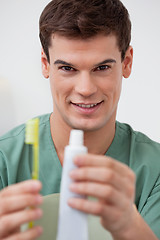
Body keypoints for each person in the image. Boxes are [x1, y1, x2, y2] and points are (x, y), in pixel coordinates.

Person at [0, 0, 160, 239]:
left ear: (126, 63)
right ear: (46, 65)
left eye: (102, 67)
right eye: (67, 68)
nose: (85, 89)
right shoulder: (5, 159)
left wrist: (132, 229)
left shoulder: (154, 170)